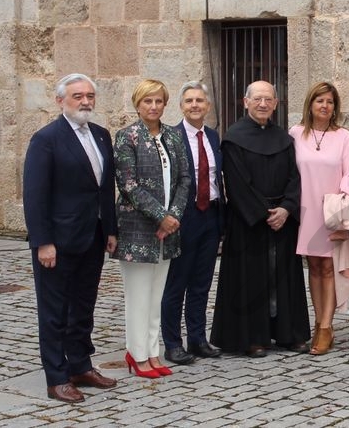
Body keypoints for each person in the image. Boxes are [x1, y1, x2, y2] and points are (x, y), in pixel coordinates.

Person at [23, 73, 118, 403]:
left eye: (90, 95)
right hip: (58, 242)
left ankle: (80, 365)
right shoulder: (46, 139)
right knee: (54, 311)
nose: (85, 101)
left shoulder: (102, 136)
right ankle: (57, 377)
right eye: (77, 96)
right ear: (60, 100)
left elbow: (105, 189)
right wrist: (43, 241)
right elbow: (35, 195)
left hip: (92, 237)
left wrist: (110, 230)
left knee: (83, 306)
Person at [210, 80, 311, 357]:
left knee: (284, 278)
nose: (263, 104)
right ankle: (253, 337)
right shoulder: (233, 138)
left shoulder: (284, 139)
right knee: (251, 278)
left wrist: (287, 209)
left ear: (276, 104)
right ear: (246, 102)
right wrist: (262, 214)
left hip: (283, 219)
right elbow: (236, 183)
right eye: (257, 99)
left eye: (268, 99)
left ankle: (288, 334)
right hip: (248, 221)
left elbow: (295, 177)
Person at [112, 79, 191, 379]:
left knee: (157, 294)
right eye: (148, 101)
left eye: (158, 101)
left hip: (168, 230)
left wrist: (172, 217)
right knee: (138, 295)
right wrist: (160, 216)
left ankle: (153, 352)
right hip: (137, 230)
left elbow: (185, 178)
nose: (154, 107)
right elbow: (128, 185)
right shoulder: (127, 137)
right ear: (137, 104)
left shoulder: (172, 136)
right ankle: (136, 354)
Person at [291, 81, 349, 356]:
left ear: (335, 107)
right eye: (320, 101)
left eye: (330, 102)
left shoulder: (343, 136)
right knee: (314, 267)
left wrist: (347, 208)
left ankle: (326, 326)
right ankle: (318, 320)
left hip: (333, 211)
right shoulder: (296, 133)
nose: (325, 106)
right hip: (306, 209)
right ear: (310, 104)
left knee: (330, 267)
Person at [161, 82, 224, 365]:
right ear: (181, 106)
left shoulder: (212, 137)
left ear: (208, 106)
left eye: (200, 101)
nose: (195, 105)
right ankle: (173, 343)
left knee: (201, 282)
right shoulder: (170, 137)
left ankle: (197, 339)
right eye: (189, 101)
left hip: (210, 215)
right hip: (182, 218)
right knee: (177, 282)